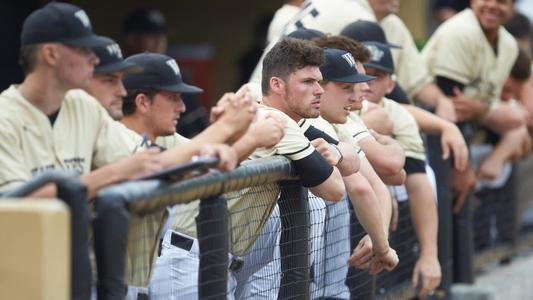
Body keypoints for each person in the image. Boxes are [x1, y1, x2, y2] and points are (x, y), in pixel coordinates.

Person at [306, 47, 400, 298]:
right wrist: (382, 244)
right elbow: (364, 185)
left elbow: (381, 181)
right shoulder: (311, 121)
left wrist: (377, 235)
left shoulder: (334, 122)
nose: (355, 95)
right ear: (318, 85)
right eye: (346, 87)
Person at [359, 41, 441, 299]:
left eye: (377, 76)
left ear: (391, 84)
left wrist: (430, 255)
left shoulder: (399, 114)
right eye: (363, 73)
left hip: (385, 227)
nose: (368, 83)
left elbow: (416, 179)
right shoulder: (328, 107)